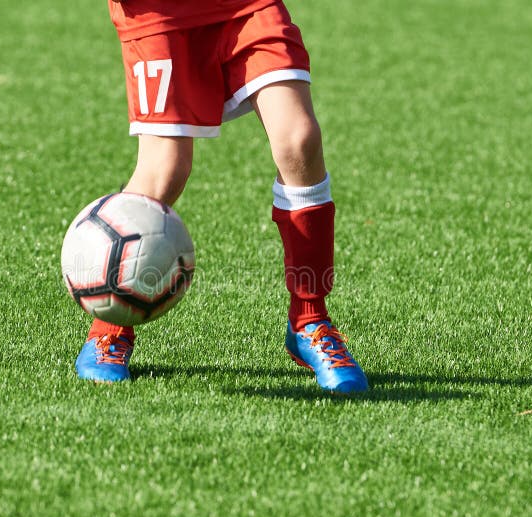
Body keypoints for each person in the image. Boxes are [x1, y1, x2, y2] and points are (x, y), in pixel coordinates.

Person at [75, 0, 368, 393]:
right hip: (159, 12)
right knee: (165, 170)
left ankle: (309, 320)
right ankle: (109, 328)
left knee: (299, 141)